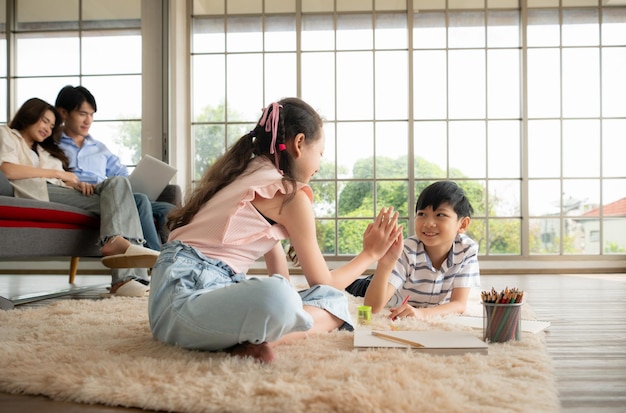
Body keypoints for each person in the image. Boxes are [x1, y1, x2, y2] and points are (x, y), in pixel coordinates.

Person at [148, 98, 403, 363]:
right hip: (185, 301)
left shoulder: (242, 175)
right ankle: (260, 338)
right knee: (295, 296)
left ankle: (241, 341)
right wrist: (370, 254)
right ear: (300, 143)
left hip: (173, 302)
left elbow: (279, 272)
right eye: (321, 153)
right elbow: (322, 281)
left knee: (318, 298)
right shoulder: (289, 194)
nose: (319, 164)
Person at [0, 97, 159, 296]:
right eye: (44, 121)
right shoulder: (7, 134)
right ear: (29, 115)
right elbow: (7, 170)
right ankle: (125, 278)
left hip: (60, 191)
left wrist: (75, 184)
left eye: (51, 125)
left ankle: (119, 251)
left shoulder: (43, 150)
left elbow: (62, 179)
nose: (48, 129)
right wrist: (58, 174)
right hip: (35, 192)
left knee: (118, 183)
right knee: (123, 201)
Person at [54, 85, 174, 251]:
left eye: (91, 114)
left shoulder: (99, 147)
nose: (88, 120)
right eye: (82, 114)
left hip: (112, 191)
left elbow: (121, 173)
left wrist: (139, 181)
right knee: (141, 201)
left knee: (168, 209)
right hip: (85, 194)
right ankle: (155, 259)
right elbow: (51, 178)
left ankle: (175, 258)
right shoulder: (52, 144)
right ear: (63, 113)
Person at [345, 180, 480, 320]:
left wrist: (422, 313)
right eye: (422, 214)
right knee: (350, 284)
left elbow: (459, 304)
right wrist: (384, 264)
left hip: (402, 282)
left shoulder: (467, 250)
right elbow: (372, 307)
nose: (428, 223)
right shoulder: (407, 249)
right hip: (380, 282)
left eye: (440, 215)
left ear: (462, 224)